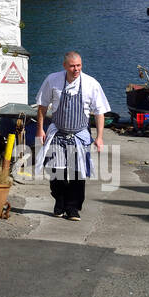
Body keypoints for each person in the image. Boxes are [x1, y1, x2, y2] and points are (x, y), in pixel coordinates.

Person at [34, 51, 109, 221]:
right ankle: (59, 203)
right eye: (72, 66)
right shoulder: (52, 80)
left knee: (76, 173)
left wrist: (99, 137)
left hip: (79, 135)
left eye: (79, 66)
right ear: (64, 66)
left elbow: (99, 112)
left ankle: (73, 208)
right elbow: (42, 106)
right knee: (56, 172)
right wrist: (40, 129)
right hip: (58, 133)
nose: (76, 69)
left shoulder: (91, 84)